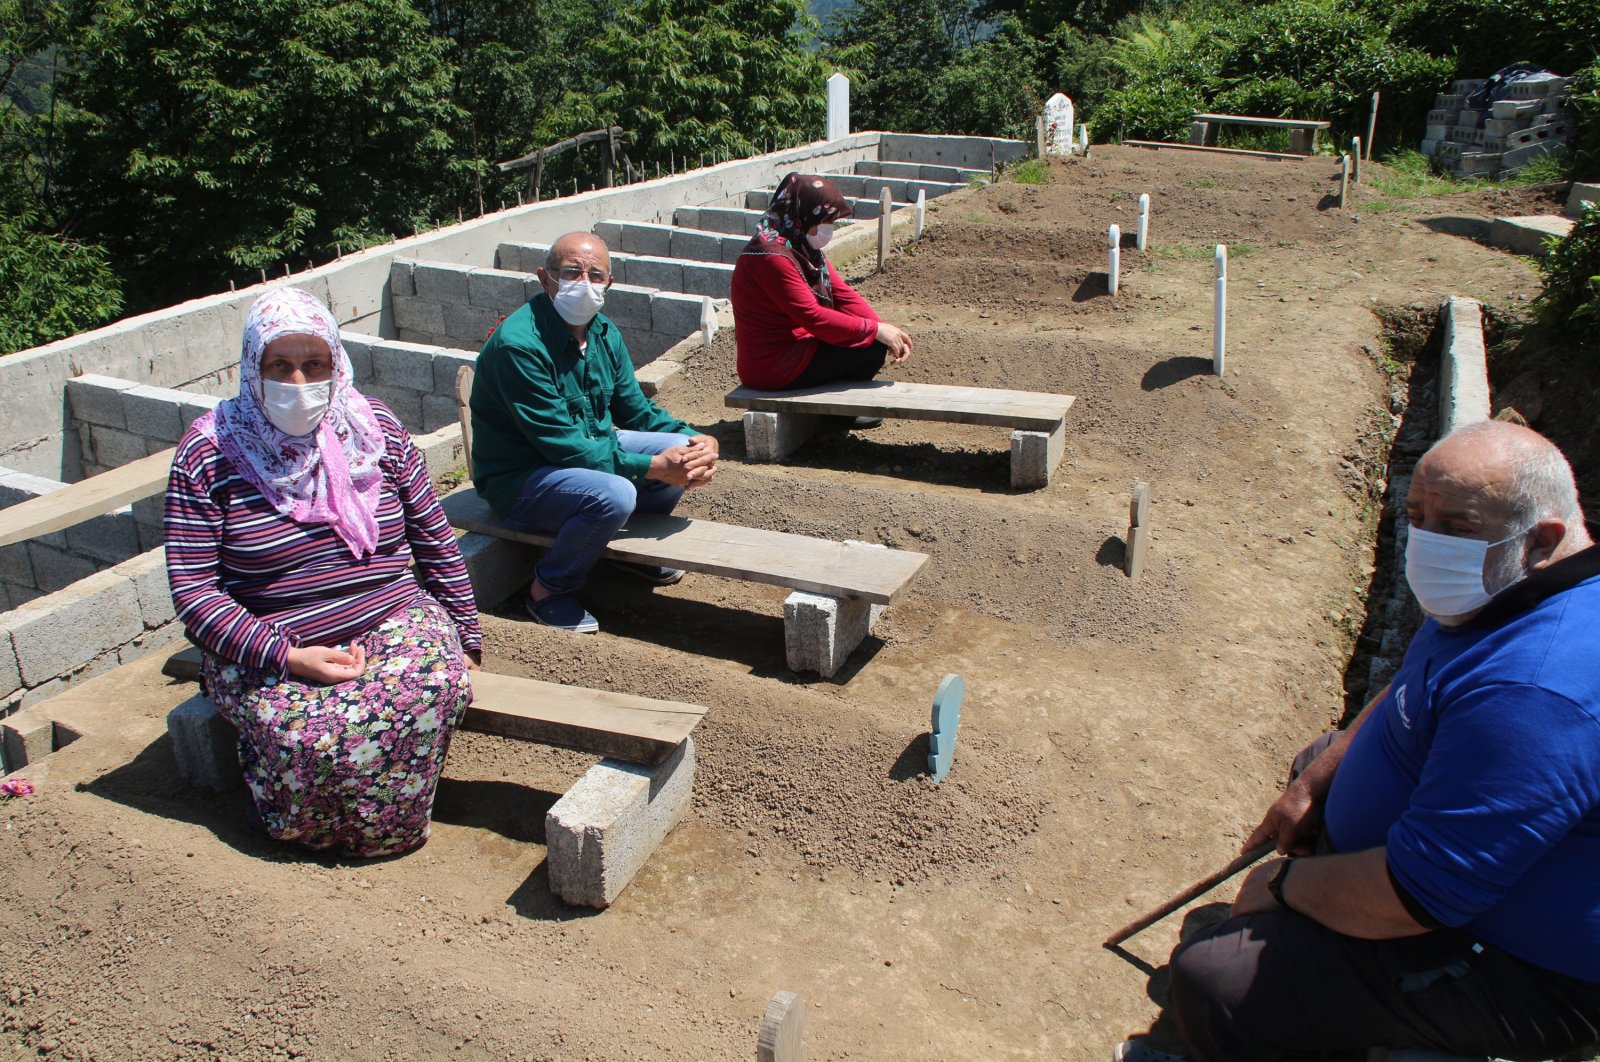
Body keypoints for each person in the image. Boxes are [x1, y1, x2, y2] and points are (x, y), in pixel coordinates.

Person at [1139, 420, 1600, 1062]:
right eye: (1415, 515)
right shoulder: (1505, 594)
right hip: (1429, 879)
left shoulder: (1537, 693)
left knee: (1216, 985)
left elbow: (1422, 893)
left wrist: (1278, 888)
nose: (1428, 541)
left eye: (1457, 524)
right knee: (1321, 756)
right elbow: (1412, 686)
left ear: (1541, 540)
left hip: (1504, 962)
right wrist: (1317, 778)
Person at [165, 287, 481, 858]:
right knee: (305, 736)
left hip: (389, 615)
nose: (299, 381)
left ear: (336, 362)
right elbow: (194, 592)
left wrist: (466, 632)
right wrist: (287, 656)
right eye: (279, 366)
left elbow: (433, 534)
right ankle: (305, 825)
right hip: (270, 638)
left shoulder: (374, 429)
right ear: (250, 368)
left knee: (433, 685)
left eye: (315, 364)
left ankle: (387, 827)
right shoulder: (208, 453)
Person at [469, 231, 719, 634]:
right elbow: (562, 447)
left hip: (583, 456)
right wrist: (654, 467)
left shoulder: (603, 333)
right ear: (544, 278)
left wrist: (697, 438)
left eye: (595, 275)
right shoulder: (519, 346)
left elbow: (635, 410)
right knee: (615, 492)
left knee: (678, 447)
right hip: (522, 478)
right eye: (570, 272)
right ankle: (549, 588)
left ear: (609, 284)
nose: (583, 284)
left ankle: (622, 553)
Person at [729, 172, 915, 421]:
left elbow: (842, 294)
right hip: (773, 366)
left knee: (871, 340)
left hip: (793, 351)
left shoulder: (800, 248)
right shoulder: (772, 257)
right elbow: (813, 317)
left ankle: (835, 410)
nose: (829, 229)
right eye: (826, 221)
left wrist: (882, 327)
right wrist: (875, 331)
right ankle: (834, 417)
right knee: (868, 348)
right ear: (804, 215)